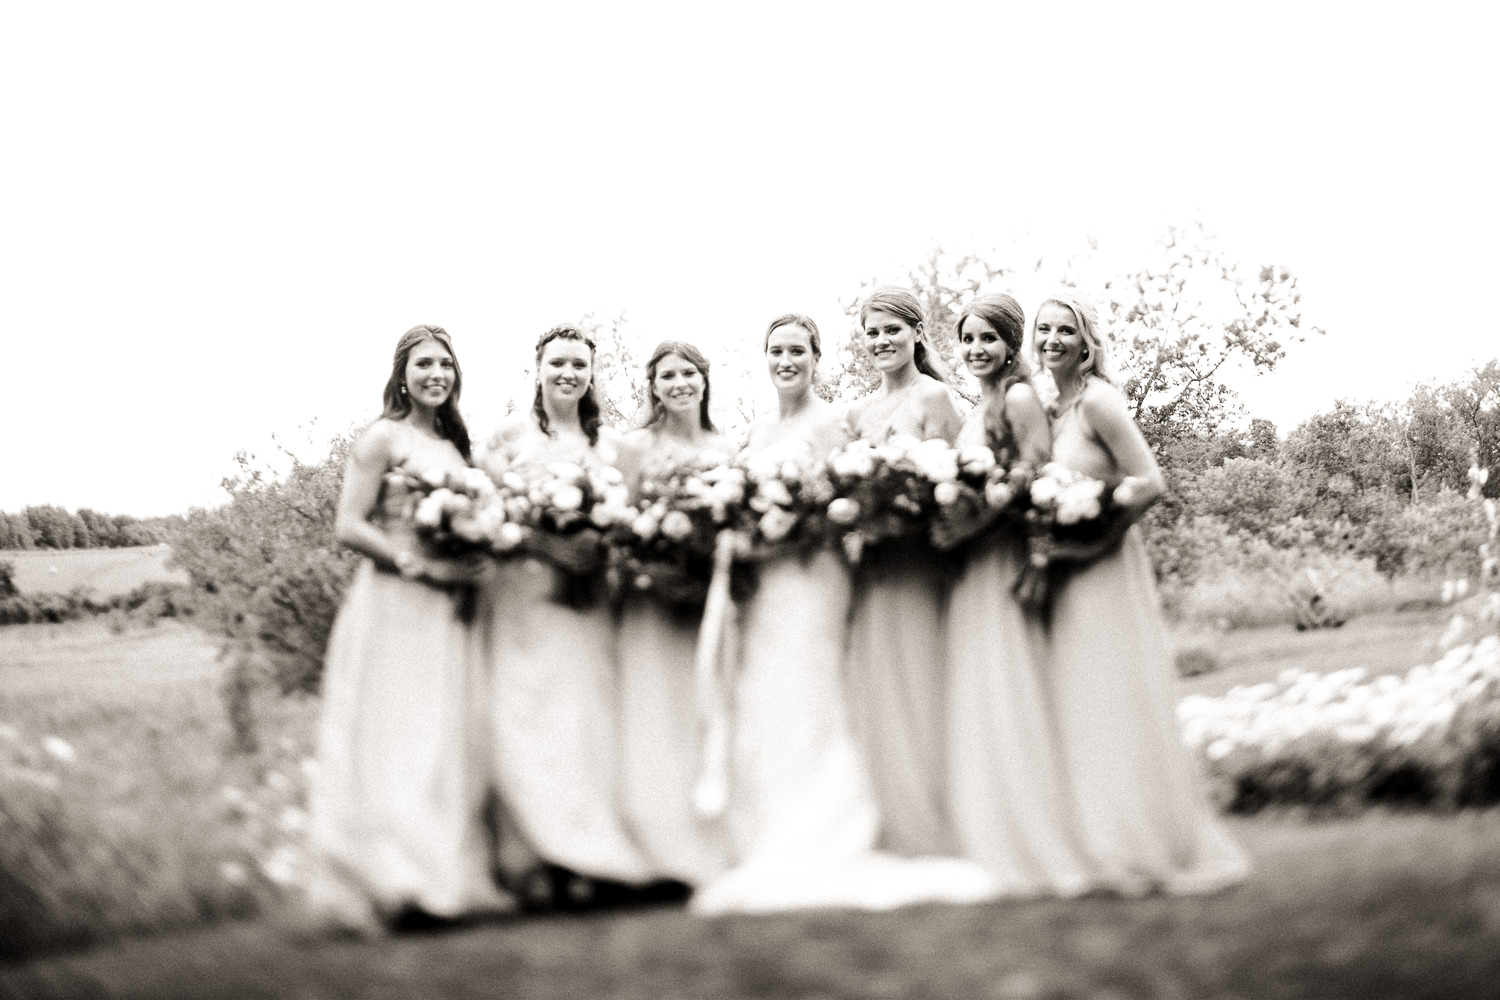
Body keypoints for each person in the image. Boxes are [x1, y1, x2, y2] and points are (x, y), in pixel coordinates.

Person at [693, 314, 997, 914]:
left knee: (816, 695)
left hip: (814, 578)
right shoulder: (753, 433)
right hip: (764, 587)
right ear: (765, 357)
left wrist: (796, 526)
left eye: (798, 351)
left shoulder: (837, 423)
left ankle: (831, 827)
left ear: (816, 357)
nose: (786, 360)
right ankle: (767, 829)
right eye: (776, 350)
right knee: (765, 701)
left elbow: (845, 504)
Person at [1033, 291, 1249, 895]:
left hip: (1101, 567)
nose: (1051, 340)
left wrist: (1092, 532)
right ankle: (1094, 843)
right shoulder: (1051, 405)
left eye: (1064, 331)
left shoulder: (1099, 402)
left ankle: (1135, 848)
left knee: (1109, 699)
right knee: (1073, 704)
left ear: (1086, 342)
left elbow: (1150, 482)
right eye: (1043, 330)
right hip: (1061, 568)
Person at [305, 325, 512, 931]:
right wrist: (413, 564)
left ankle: (441, 876)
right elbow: (349, 525)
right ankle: (394, 880)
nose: (436, 375)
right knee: (395, 738)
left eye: (445, 365)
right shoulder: (382, 439)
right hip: (395, 602)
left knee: (442, 739)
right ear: (401, 374)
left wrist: (473, 555)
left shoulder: (454, 450)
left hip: (448, 610)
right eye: (424, 364)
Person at [476, 325, 651, 907]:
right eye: (558, 363)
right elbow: (488, 517)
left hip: (587, 600)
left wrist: (596, 551)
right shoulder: (505, 438)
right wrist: (544, 545)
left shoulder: (610, 447)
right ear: (538, 368)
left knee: (583, 723)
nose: (569, 373)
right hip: (524, 596)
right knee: (527, 721)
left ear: (591, 373)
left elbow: (625, 525)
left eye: (580, 364)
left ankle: (585, 857)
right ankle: (536, 862)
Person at [941, 294, 1094, 896]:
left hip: (1000, 554)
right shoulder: (978, 405)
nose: (977, 350)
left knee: (1010, 685)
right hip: (972, 560)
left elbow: (1036, 472)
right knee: (982, 689)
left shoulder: (1021, 397)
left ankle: (1033, 838)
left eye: (988, 339)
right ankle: (991, 831)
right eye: (968, 339)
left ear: (1010, 345)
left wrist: (982, 522)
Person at [842, 287, 963, 856]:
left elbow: (960, 488)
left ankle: (941, 816)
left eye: (892, 329)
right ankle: (891, 818)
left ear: (916, 332)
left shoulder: (937, 398)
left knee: (926, 683)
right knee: (879, 692)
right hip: (872, 570)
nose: (882, 340)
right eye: (872, 331)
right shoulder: (857, 414)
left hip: (921, 565)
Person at [614, 341, 731, 886]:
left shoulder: (725, 446)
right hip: (652, 599)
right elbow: (622, 525)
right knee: (653, 713)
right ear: (653, 387)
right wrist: (652, 572)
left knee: (703, 712)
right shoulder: (636, 447)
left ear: (704, 380)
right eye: (667, 376)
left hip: (709, 597)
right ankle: (654, 845)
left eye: (688, 373)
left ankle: (706, 840)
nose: (679, 383)